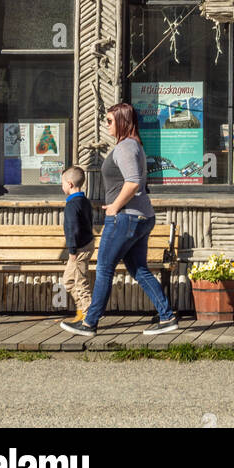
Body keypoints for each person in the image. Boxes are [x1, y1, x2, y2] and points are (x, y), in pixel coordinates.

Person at [61, 102, 180, 337]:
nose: (106, 125)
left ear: (123, 122)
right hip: (141, 217)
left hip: (125, 219)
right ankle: (167, 317)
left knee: (105, 268)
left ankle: (89, 323)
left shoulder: (126, 147)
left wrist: (114, 207)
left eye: (110, 121)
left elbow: (133, 181)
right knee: (139, 270)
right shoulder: (134, 145)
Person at [61, 165, 94, 325]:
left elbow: (72, 228)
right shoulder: (84, 201)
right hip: (84, 245)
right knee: (68, 280)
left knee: (81, 282)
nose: (62, 187)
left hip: (79, 248)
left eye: (62, 183)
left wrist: (73, 249)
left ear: (70, 184)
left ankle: (89, 316)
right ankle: (81, 310)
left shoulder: (72, 205)